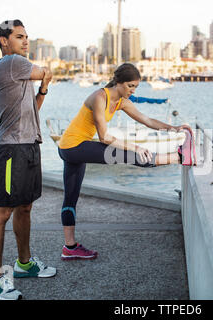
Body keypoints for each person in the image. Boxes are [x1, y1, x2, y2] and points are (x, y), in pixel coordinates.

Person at [57, 63, 196, 260]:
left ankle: (69, 248)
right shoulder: (100, 97)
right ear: (118, 82)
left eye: (136, 87)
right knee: (132, 155)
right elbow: (104, 137)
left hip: (73, 148)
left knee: (71, 198)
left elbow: (147, 121)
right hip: (72, 146)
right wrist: (136, 146)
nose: (133, 90)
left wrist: (174, 128)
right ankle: (179, 157)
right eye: (130, 86)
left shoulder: (122, 101)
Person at [0, 19, 56, 300]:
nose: (26, 41)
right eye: (19, 36)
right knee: (2, 213)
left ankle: (24, 264)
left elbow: (33, 110)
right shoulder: (11, 63)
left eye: (27, 37)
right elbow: (46, 71)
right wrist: (45, 77)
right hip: (11, 149)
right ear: (4, 41)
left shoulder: (21, 72)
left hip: (29, 145)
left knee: (25, 207)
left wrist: (43, 90)